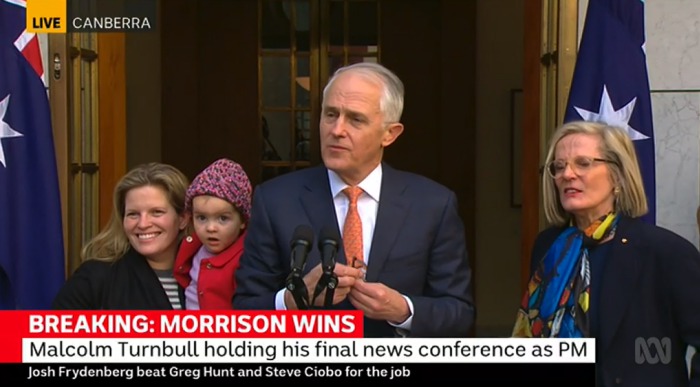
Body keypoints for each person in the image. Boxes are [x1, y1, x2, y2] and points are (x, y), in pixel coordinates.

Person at [233, 62, 475, 337]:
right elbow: (244, 312)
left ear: (390, 134)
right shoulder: (275, 200)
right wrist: (292, 300)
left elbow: (459, 313)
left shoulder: (433, 204)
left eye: (355, 119)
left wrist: (403, 310)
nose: (337, 130)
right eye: (330, 114)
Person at [512, 121, 700, 385]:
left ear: (617, 175)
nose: (567, 174)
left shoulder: (665, 252)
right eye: (559, 166)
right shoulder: (549, 247)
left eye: (583, 163)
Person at [53, 163, 190, 310]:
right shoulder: (94, 278)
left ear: (183, 218)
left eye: (157, 212)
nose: (143, 224)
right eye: (133, 214)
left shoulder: (201, 274)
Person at [174, 158, 252, 310]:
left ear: (242, 220)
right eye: (201, 218)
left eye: (223, 219)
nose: (210, 228)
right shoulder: (191, 246)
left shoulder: (245, 259)